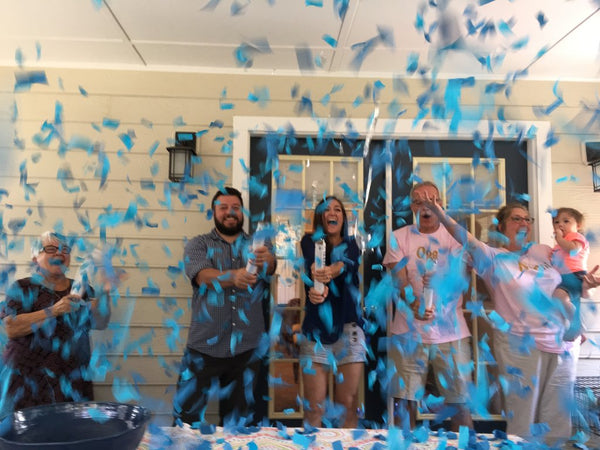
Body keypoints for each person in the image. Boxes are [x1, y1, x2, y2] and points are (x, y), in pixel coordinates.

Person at [419, 195, 599, 441]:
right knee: (523, 419)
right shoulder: (492, 257)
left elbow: (571, 285)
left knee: (557, 420)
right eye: (516, 219)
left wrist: (587, 287)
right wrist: (441, 214)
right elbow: (465, 238)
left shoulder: (545, 252)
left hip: (564, 345)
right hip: (520, 347)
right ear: (501, 227)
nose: (524, 223)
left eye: (527, 219)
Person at [173, 186, 276, 426]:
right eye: (224, 208)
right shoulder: (197, 245)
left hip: (246, 350)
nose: (230, 212)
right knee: (185, 422)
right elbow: (203, 276)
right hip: (203, 349)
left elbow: (270, 267)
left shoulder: (257, 244)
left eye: (236, 208)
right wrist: (233, 277)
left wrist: (269, 260)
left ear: (242, 213)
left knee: (239, 426)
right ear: (213, 213)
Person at [382, 181, 473, 431]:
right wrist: (413, 302)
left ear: (440, 204)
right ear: (412, 206)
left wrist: (442, 284)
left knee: (460, 403)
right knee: (405, 403)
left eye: (431, 200)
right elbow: (398, 281)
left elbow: (462, 280)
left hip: (452, 334)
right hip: (408, 333)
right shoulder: (399, 238)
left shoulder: (455, 236)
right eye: (419, 201)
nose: (425, 206)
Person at [0, 231, 111, 412]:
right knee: (26, 435)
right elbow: (12, 327)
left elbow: (100, 322)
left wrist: (105, 289)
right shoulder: (21, 287)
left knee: (68, 433)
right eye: (51, 248)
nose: (60, 253)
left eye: (65, 249)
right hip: (28, 380)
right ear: (35, 258)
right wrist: (54, 310)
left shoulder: (82, 288)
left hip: (70, 379)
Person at [299, 196, 365, 428]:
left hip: (350, 332)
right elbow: (311, 265)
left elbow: (347, 262)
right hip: (316, 332)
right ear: (321, 217)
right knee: (315, 406)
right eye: (327, 210)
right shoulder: (308, 241)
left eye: (338, 209)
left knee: (347, 403)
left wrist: (333, 269)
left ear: (343, 218)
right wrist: (315, 288)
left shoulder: (352, 244)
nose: (332, 212)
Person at [551, 207, 590, 341]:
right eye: (556, 222)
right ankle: (576, 332)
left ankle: (578, 325)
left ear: (578, 226)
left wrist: (560, 238)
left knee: (558, 297)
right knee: (571, 305)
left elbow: (573, 250)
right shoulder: (559, 245)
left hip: (574, 275)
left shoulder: (576, 237)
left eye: (566, 221)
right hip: (564, 278)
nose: (560, 224)